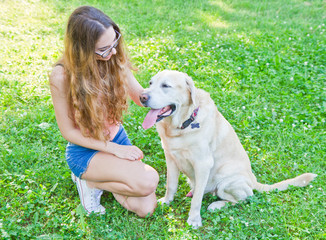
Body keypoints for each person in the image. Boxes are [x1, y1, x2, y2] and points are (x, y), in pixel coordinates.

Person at [49, 6, 159, 217]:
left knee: (145, 208)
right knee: (148, 180)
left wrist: (168, 93)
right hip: (85, 150)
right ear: (83, 49)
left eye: (115, 42)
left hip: (117, 138)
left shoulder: (113, 59)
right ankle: (87, 180)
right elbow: (68, 132)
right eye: (104, 49)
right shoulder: (61, 76)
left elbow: (139, 96)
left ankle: (98, 182)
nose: (114, 52)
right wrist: (114, 150)